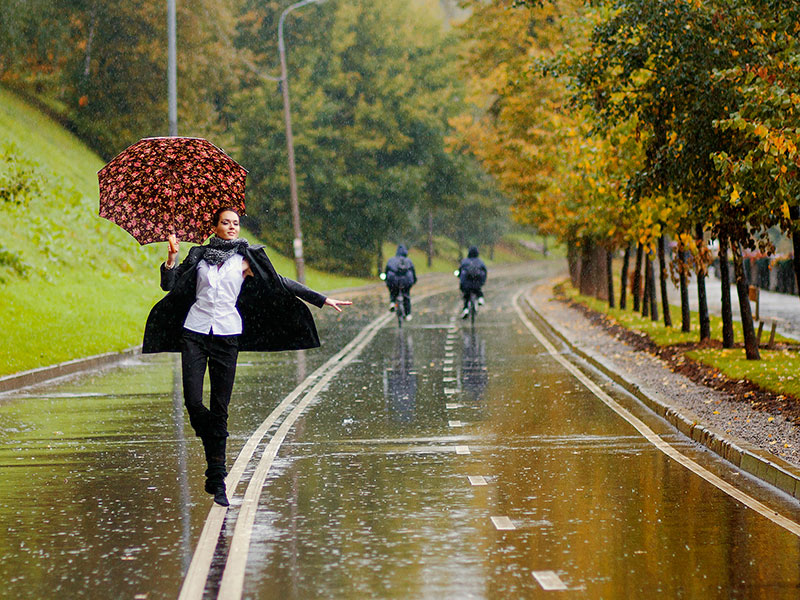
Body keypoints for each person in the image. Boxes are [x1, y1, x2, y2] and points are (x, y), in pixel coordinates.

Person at [142, 207, 351, 507]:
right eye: (225, 223)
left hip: (227, 336)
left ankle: (217, 479)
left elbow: (281, 282)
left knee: (220, 407)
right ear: (214, 226)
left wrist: (321, 298)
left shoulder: (246, 259)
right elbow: (169, 285)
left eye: (235, 223)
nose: (231, 227)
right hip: (195, 332)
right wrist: (171, 258)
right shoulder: (197, 255)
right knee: (192, 401)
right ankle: (214, 438)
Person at [383, 244, 417, 320]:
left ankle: (392, 302)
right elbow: (413, 272)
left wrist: (386, 281)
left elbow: (386, 271)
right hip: (406, 281)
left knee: (393, 291)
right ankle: (408, 314)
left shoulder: (391, 260)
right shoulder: (409, 261)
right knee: (406, 296)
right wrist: (413, 281)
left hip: (393, 281)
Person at [457, 245, 487, 319]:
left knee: (466, 296)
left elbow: (460, 272)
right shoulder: (480, 261)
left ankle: (466, 309)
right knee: (478, 290)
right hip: (477, 283)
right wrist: (482, 282)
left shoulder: (465, 261)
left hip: (467, 284)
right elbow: (484, 271)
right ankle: (480, 298)